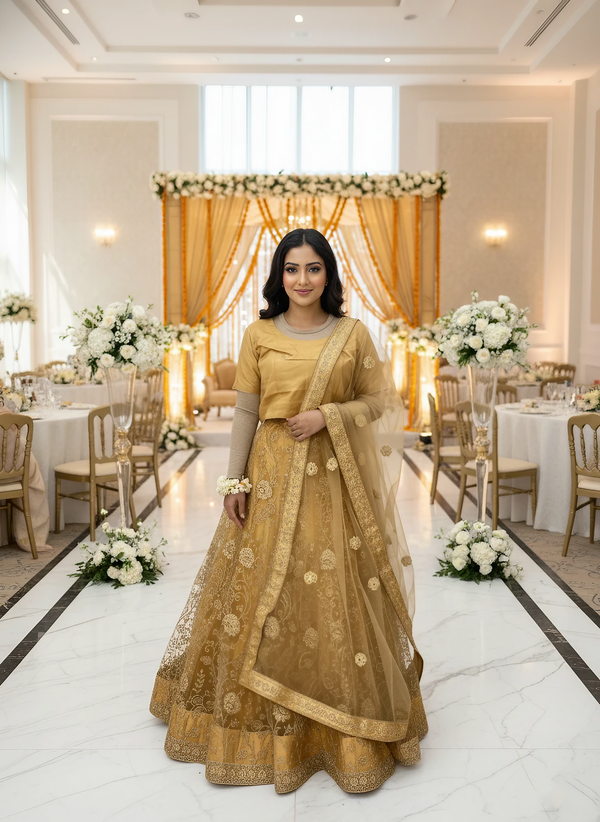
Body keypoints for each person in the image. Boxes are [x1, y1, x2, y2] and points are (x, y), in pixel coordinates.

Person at [150, 228, 427, 793]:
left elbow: (380, 400)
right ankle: (257, 716)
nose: (303, 280)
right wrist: (235, 480)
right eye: (292, 269)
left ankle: (338, 714)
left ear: (329, 275)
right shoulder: (258, 334)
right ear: (279, 276)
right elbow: (245, 413)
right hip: (272, 473)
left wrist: (328, 415)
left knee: (333, 586)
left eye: (314, 268)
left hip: (334, 479)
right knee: (261, 589)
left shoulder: (353, 334)